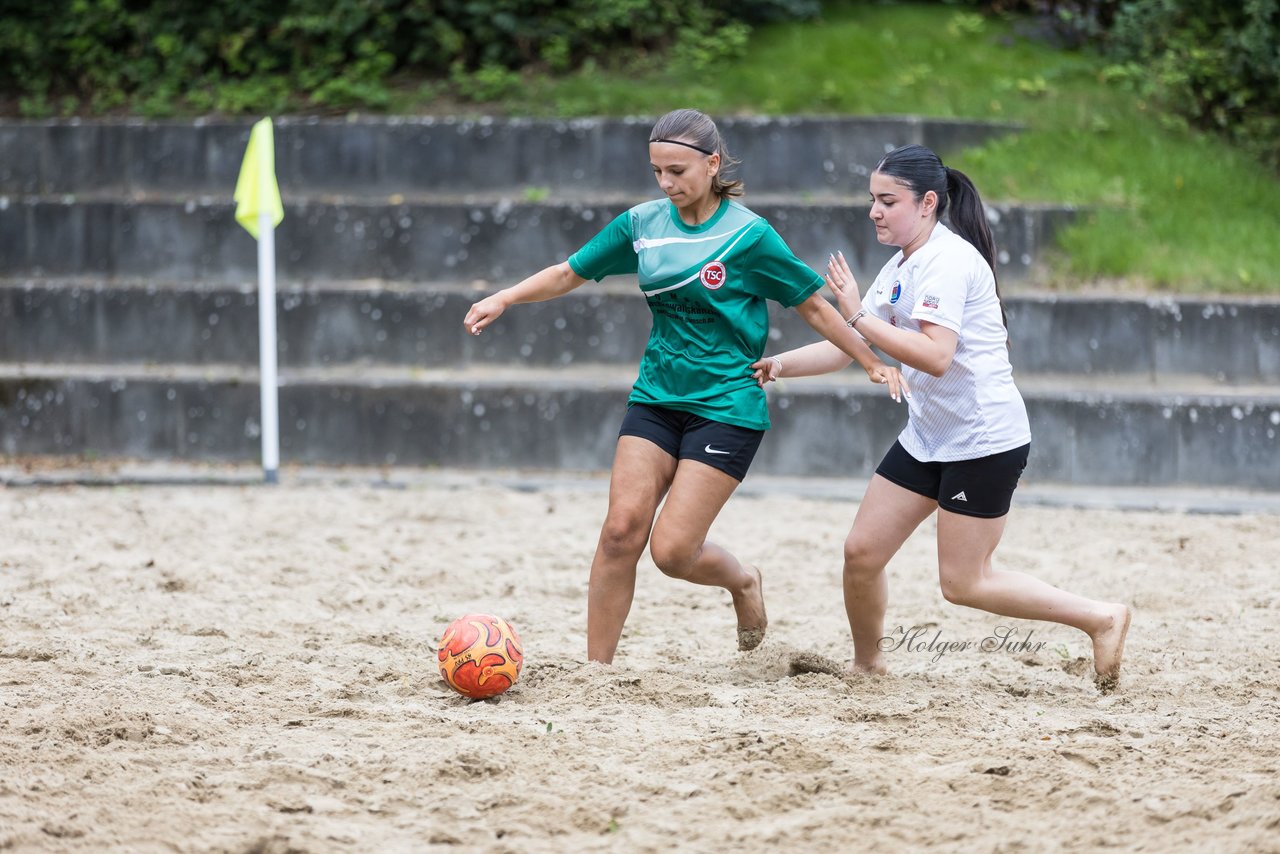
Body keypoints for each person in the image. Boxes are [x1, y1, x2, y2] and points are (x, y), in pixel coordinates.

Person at [463, 108, 905, 664]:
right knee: (621, 531)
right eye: (657, 172)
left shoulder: (748, 235)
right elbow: (568, 271)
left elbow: (814, 306)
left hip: (726, 404)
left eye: (677, 171)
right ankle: (597, 672)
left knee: (671, 552)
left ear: (712, 163)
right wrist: (504, 297)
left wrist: (869, 361)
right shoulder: (643, 225)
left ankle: (743, 582)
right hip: (655, 396)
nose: (666, 184)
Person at [752, 144, 1131, 689]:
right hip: (928, 437)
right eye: (871, 200)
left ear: (928, 202)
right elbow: (849, 347)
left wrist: (855, 310)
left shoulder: (949, 262)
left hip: (983, 441)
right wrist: (779, 365)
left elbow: (933, 355)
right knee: (861, 553)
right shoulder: (903, 262)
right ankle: (868, 664)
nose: (874, 211)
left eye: (887, 201)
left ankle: (1101, 618)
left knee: (964, 583)